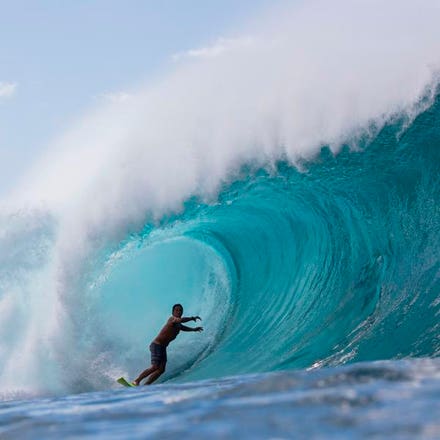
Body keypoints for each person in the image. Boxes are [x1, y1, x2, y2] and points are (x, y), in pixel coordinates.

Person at [133, 304, 203, 385]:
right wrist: (191, 318)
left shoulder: (178, 325)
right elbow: (180, 321)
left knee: (161, 370)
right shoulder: (172, 319)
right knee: (155, 367)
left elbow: (183, 328)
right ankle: (136, 381)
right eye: (176, 310)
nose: (178, 312)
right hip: (157, 345)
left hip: (163, 347)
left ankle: (146, 385)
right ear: (173, 312)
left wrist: (193, 329)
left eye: (180, 310)